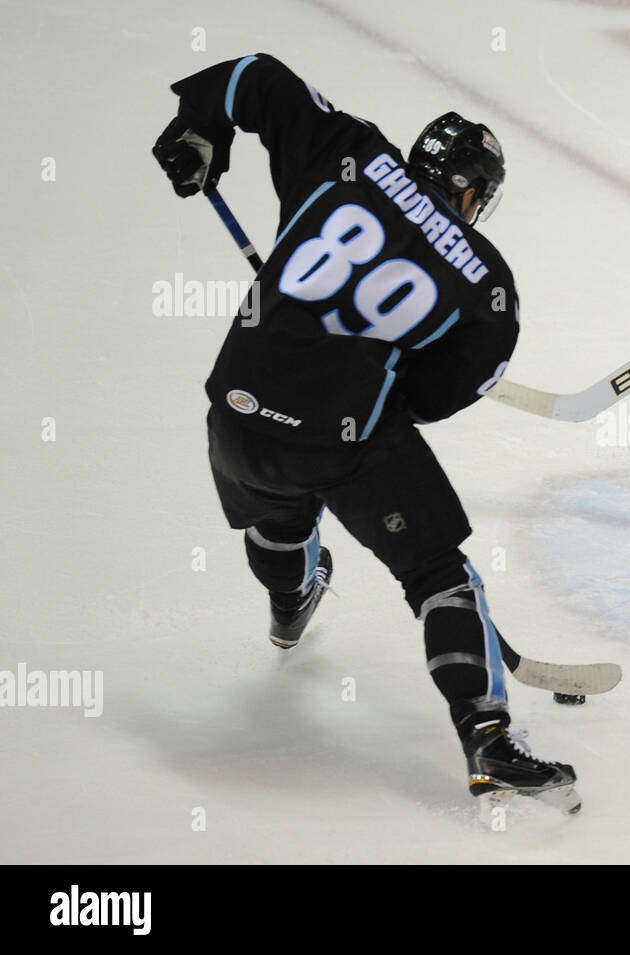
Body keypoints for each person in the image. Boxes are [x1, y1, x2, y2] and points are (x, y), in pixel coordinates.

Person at [153, 53, 578, 813]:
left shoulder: (347, 149)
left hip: (235, 413)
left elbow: (255, 75)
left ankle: (289, 605)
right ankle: (487, 738)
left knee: (276, 512)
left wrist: (199, 131)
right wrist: (364, 377)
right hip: (342, 439)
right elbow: (443, 391)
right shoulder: (486, 279)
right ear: (474, 192)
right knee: (439, 576)